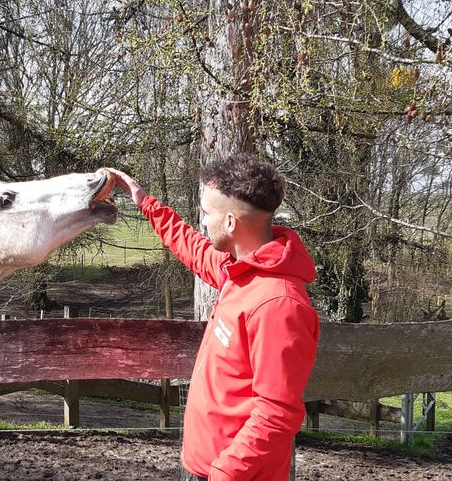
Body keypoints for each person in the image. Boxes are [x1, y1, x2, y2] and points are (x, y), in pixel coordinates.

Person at [108, 154, 319, 481]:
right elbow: (193, 248)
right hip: (204, 464)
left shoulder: (278, 304)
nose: (203, 222)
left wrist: (224, 472)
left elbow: (277, 414)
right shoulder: (239, 270)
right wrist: (146, 203)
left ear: (231, 222)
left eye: (207, 213)